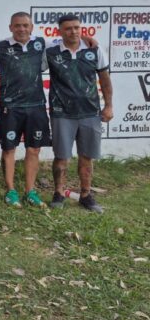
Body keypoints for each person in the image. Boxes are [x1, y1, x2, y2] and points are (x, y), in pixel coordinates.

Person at [46, 14, 113, 213]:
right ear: (59, 31)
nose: (73, 31)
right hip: (61, 113)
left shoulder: (95, 50)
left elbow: (105, 80)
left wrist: (109, 106)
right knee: (61, 157)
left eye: (77, 27)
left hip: (90, 112)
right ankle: (59, 193)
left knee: (87, 157)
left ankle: (85, 195)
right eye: (68, 28)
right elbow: (28, 41)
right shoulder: (50, 51)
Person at [0, 12, 50, 208]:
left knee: (34, 149)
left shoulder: (42, 44)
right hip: (11, 107)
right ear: (10, 27)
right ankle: (11, 191)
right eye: (17, 25)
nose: (22, 29)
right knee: (9, 149)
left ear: (31, 27)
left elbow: (68, 43)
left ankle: (30, 191)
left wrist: (88, 39)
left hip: (36, 106)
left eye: (25, 25)